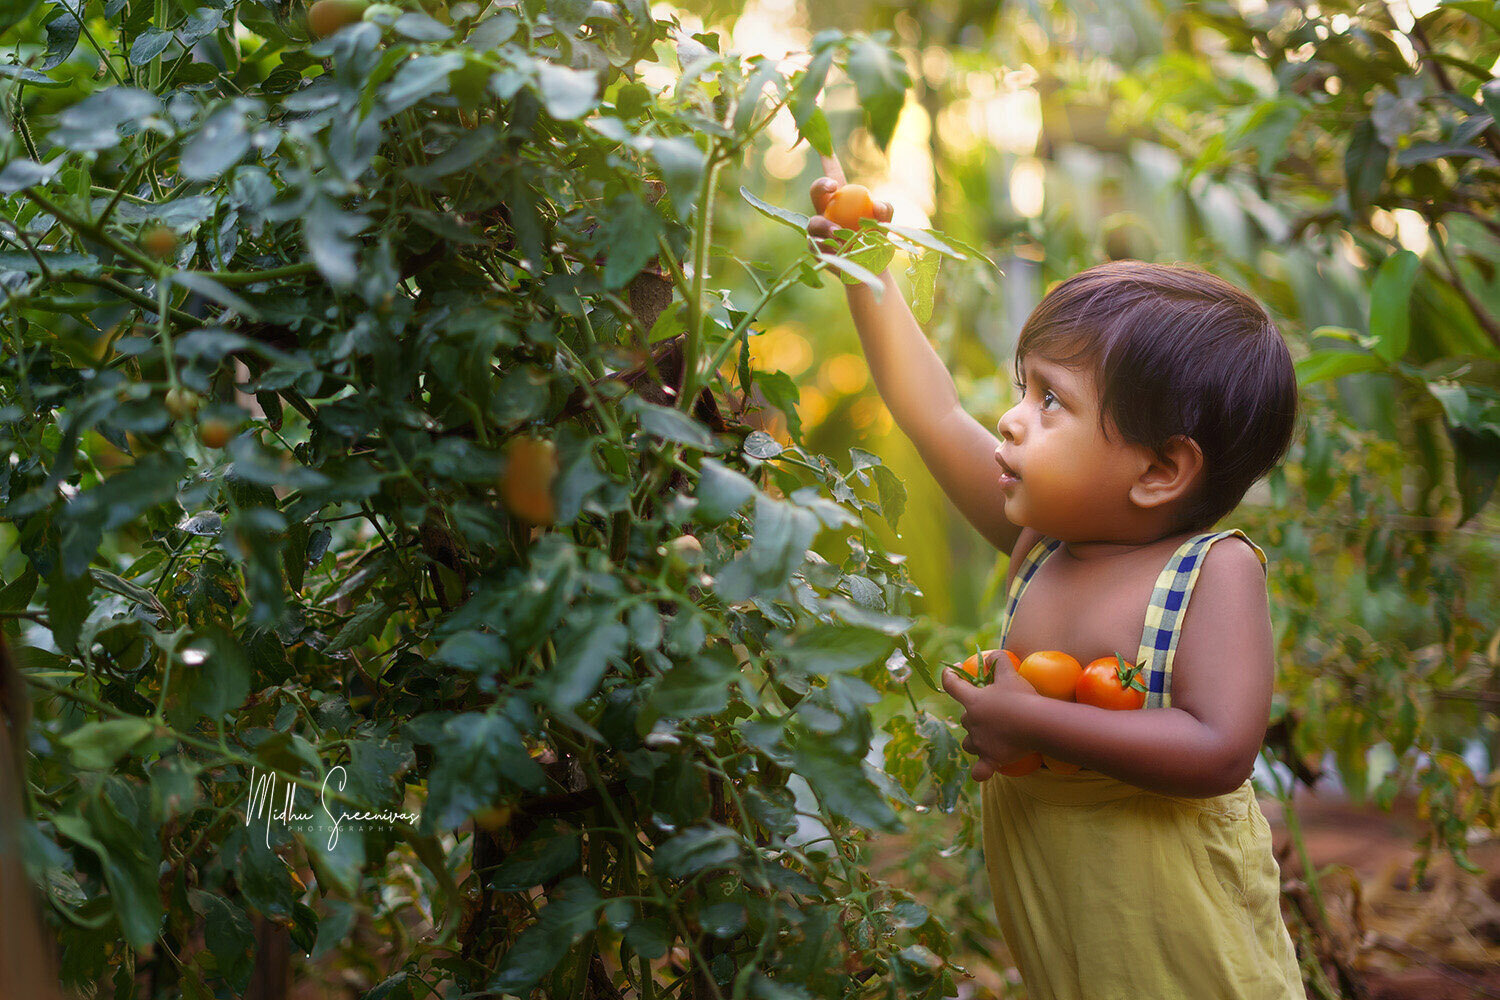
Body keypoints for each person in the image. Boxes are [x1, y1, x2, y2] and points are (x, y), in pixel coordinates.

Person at [806, 152, 1307, 999]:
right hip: (1069, 950)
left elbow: (1219, 748)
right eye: (1020, 387)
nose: (1011, 414)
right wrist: (866, 268)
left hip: (1190, 953)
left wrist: (1038, 726)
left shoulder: (1209, 576)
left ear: (1160, 471)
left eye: (1051, 401)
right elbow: (930, 411)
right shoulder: (1036, 541)